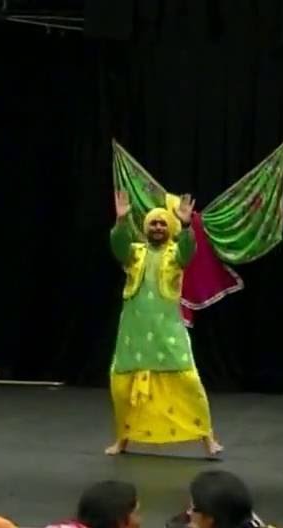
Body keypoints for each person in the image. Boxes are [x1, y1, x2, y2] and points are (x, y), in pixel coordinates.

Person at [107, 191, 222, 457]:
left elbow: (188, 249)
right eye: (153, 224)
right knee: (124, 385)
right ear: (146, 228)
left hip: (167, 330)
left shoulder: (175, 253)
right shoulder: (134, 253)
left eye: (161, 224)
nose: (157, 228)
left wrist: (184, 225)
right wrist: (122, 220)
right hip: (133, 333)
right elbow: (118, 246)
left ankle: (208, 438)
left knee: (187, 381)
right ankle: (122, 439)